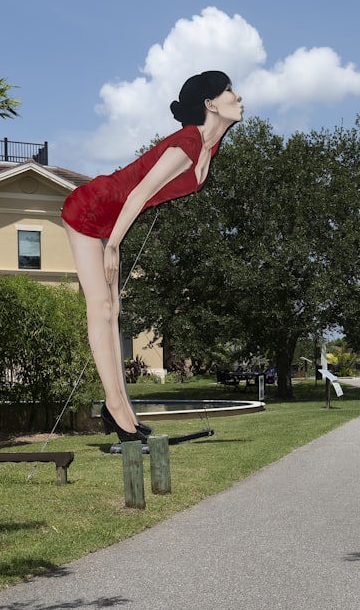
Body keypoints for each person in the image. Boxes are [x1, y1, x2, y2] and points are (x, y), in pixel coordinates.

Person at [62, 71, 243, 441]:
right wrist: (112, 245)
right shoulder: (189, 143)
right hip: (93, 208)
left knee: (114, 311)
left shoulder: (210, 149)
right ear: (210, 104)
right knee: (100, 308)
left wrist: (114, 240)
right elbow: (139, 194)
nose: (238, 97)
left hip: (113, 219)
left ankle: (121, 410)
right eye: (229, 91)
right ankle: (114, 409)